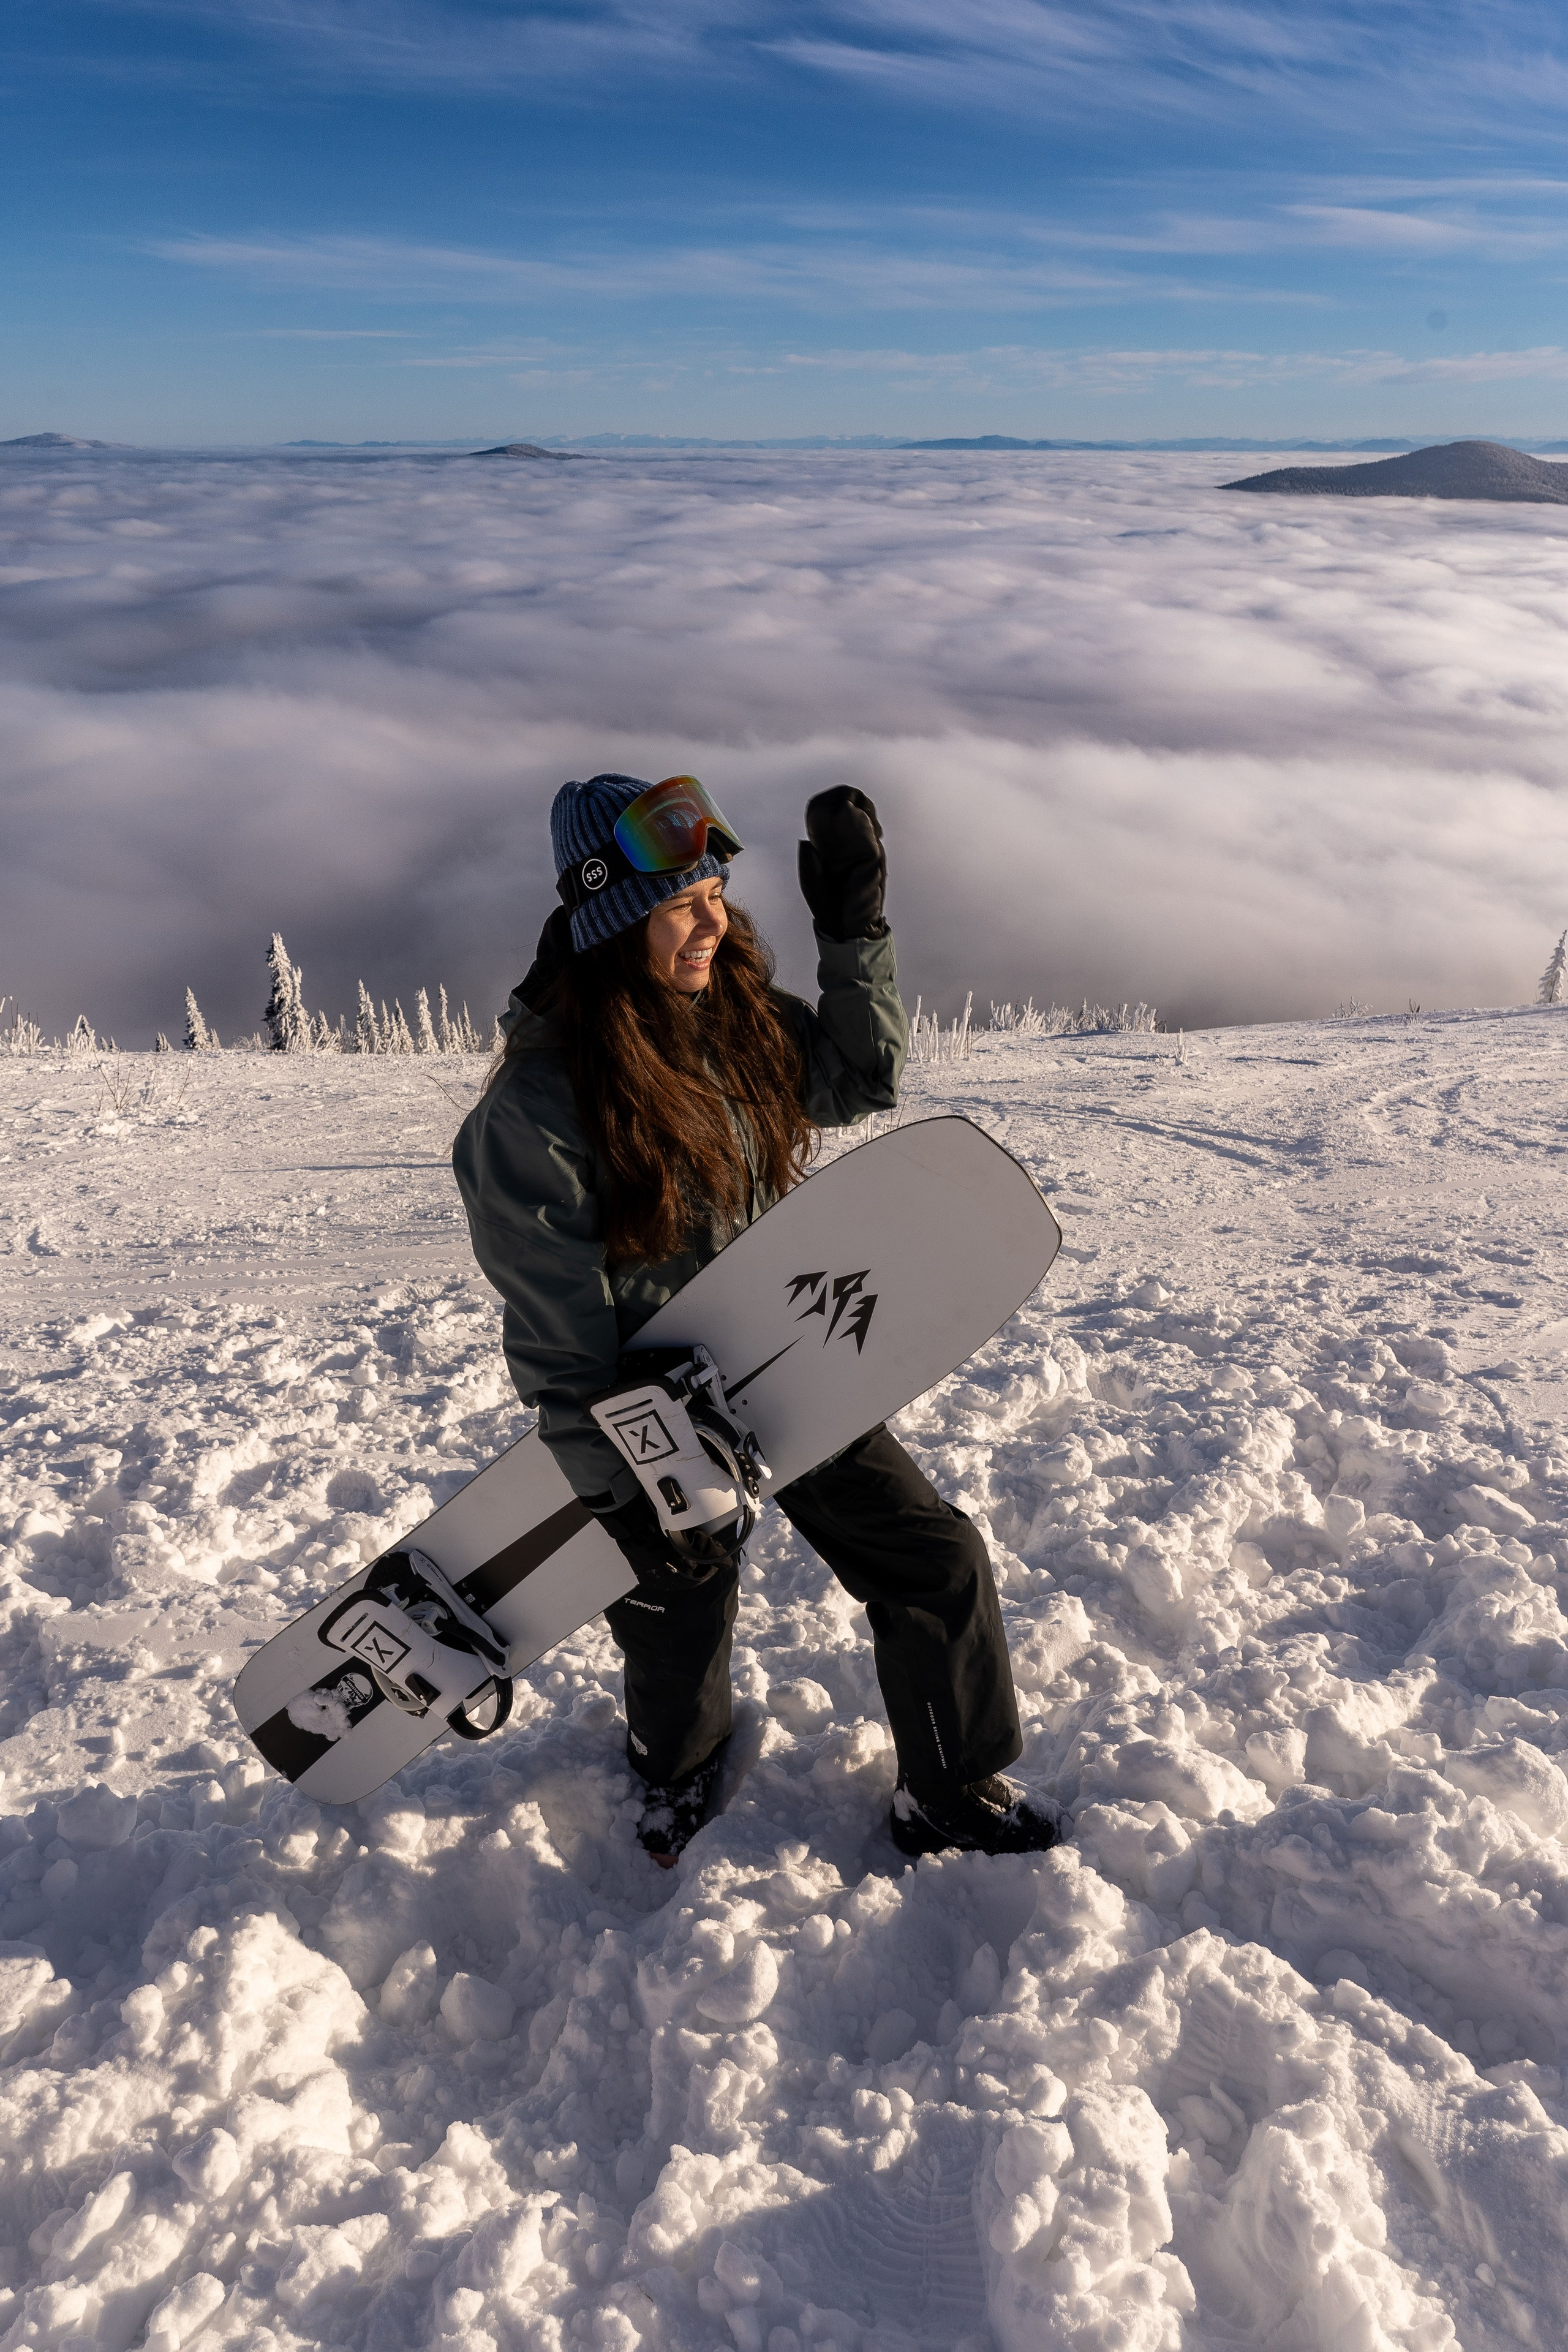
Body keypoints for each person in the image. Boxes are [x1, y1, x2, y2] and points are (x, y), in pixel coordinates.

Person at [452, 772, 1057, 1866]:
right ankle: (674, 1771)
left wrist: (854, 930)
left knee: (936, 1561)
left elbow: (861, 1080)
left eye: (718, 891)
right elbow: (559, 1339)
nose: (712, 920)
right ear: (611, 919)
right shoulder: (535, 1112)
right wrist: (629, 1488)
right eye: (681, 904)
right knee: (678, 1620)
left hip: (789, 1363)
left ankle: (948, 1784)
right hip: (657, 1421)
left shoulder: (732, 1019)